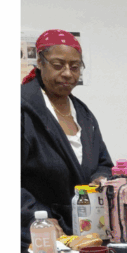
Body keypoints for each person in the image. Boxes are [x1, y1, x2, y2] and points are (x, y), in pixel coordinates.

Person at [19, 30, 111, 235]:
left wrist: (100, 179)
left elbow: (104, 163)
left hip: (84, 227)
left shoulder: (84, 115)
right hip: (35, 232)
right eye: (58, 65)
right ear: (40, 63)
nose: (68, 73)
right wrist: (36, 217)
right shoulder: (21, 109)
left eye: (75, 67)